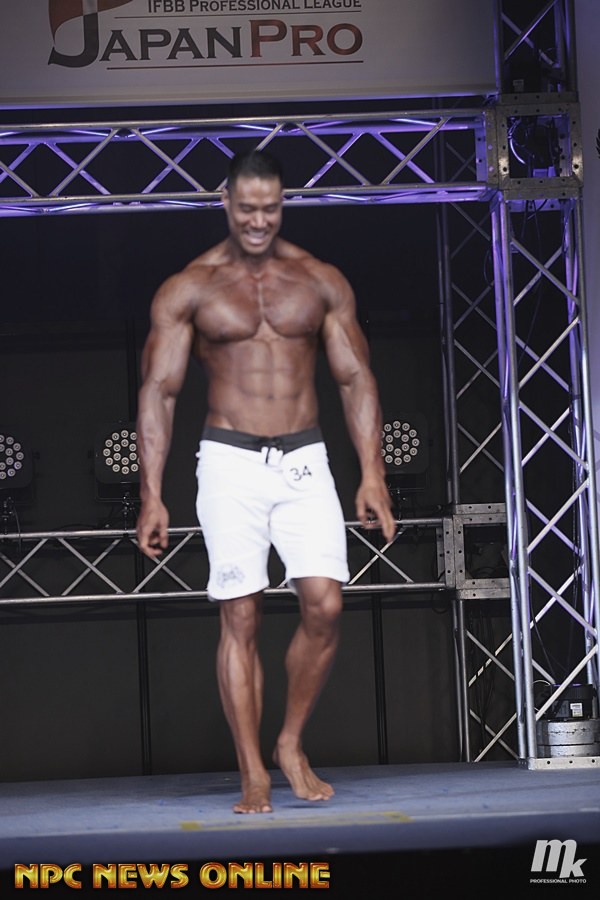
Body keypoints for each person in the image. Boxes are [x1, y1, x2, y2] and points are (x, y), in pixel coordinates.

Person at [135, 149, 396, 815]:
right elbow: (160, 391)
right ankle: (252, 770)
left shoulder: (318, 280)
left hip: (305, 456)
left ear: (284, 203)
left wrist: (372, 473)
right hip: (229, 459)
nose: (258, 221)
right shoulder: (190, 287)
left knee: (325, 605)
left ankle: (289, 743)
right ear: (224, 201)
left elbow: (354, 378)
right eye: (247, 208)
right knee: (241, 612)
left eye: (271, 209)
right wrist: (151, 493)